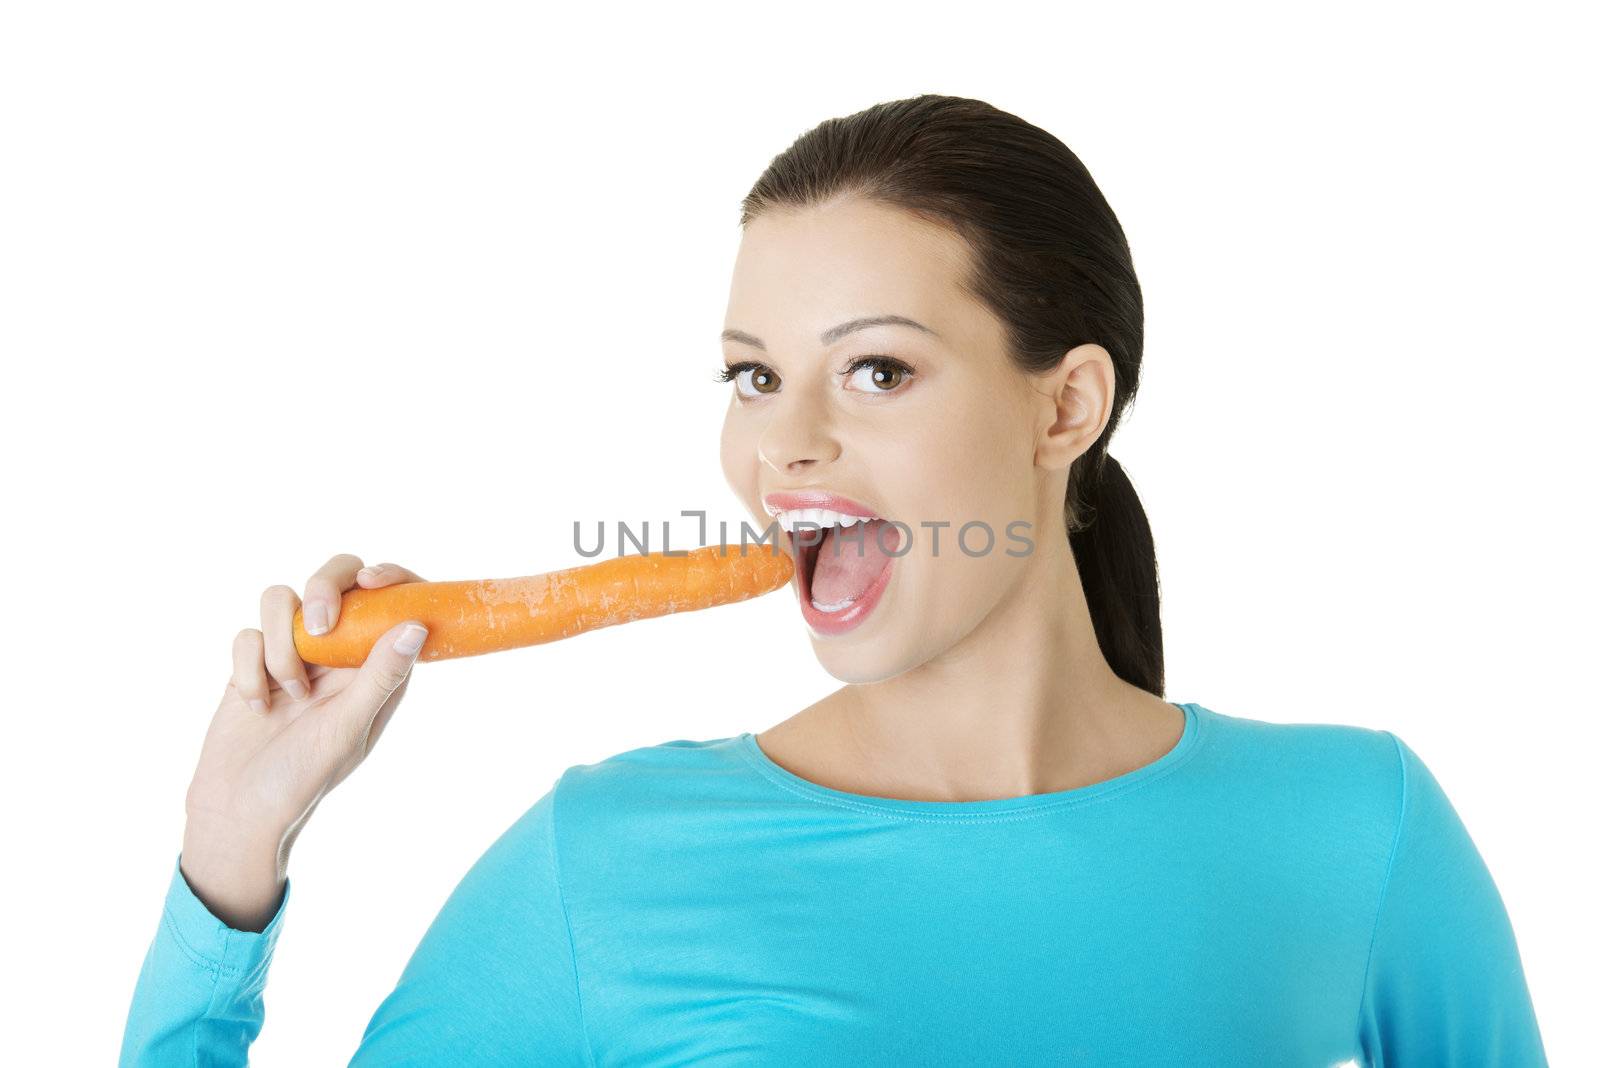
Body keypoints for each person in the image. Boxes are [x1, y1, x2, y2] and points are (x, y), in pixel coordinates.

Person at [121, 93, 1548, 1066]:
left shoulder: (1363, 828)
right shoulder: (603, 859)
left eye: (876, 370)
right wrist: (225, 856)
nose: (784, 446)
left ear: (1066, 408)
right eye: (753, 376)